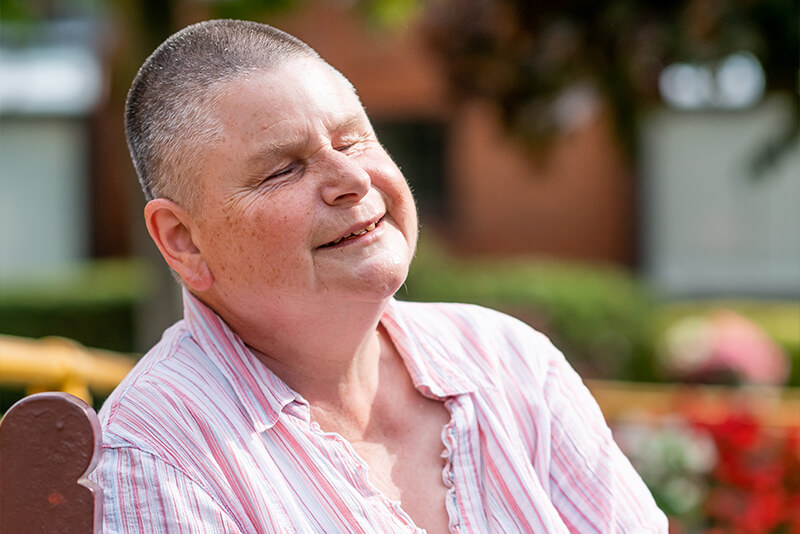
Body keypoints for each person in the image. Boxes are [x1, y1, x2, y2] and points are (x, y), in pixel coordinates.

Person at [92, 19, 667, 533]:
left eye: (354, 139)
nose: (352, 178)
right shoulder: (158, 452)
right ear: (182, 240)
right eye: (283, 169)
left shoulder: (510, 362)